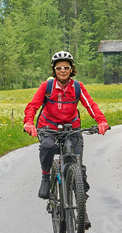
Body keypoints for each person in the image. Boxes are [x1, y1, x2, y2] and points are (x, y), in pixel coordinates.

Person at [23, 51, 109, 201]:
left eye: (66, 67)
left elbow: (90, 105)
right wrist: (29, 123)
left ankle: (82, 209)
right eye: (59, 68)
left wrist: (101, 121)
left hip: (72, 127)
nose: (62, 70)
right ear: (54, 70)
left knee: (78, 166)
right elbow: (32, 106)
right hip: (48, 127)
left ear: (71, 69)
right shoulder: (47, 86)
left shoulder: (77, 87)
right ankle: (45, 177)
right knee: (48, 146)